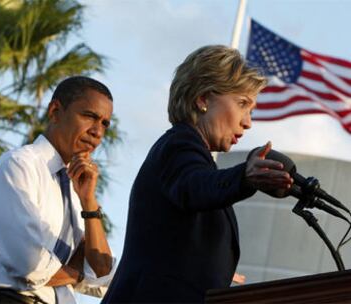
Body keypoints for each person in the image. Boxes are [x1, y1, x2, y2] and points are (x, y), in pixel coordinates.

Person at [102, 45, 293, 303]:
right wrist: (244, 176)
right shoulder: (178, 145)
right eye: (242, 104)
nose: (248, 122)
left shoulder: (193, 155)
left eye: (251, 110)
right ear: (203, 99)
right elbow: (194, 186)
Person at [0, 76, 116, 304]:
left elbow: (104, 273)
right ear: (55, 111)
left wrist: (89, 202)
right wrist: (80, 275)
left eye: (105, 123)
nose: (98, 131)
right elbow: (29, 265)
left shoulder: (76, 191)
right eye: (89, 116)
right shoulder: (18, 165)